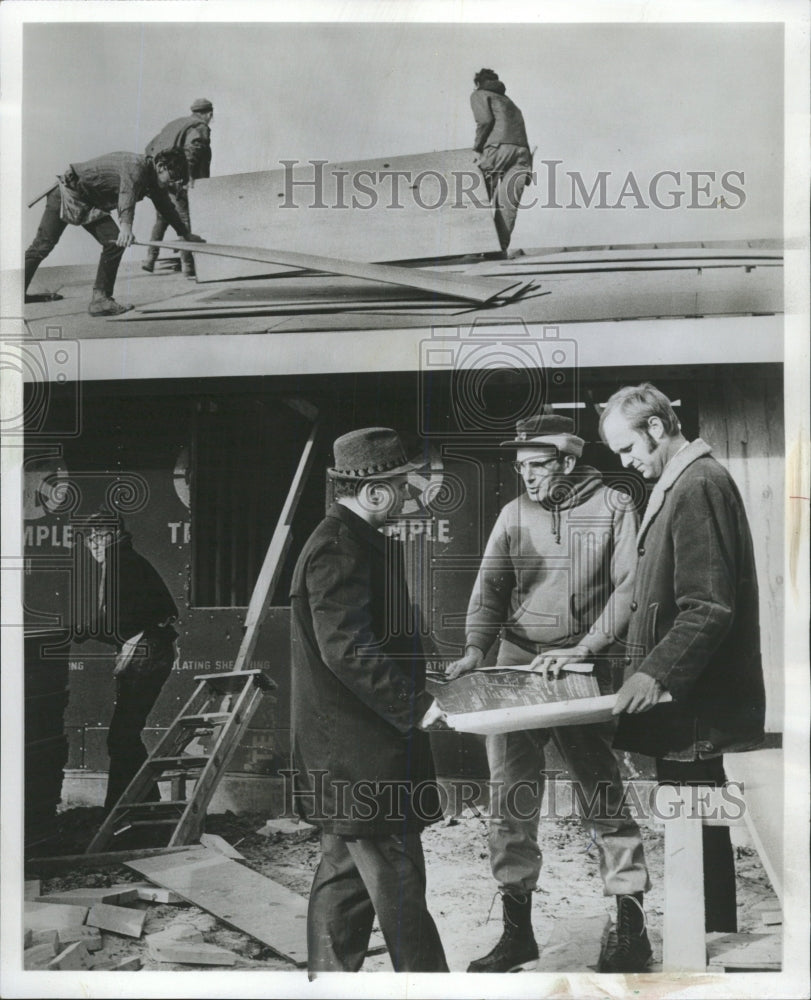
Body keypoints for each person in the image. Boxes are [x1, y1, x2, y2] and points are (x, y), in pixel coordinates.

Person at [448, 412, 652, 973]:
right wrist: (473, 650)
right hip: (517, 662)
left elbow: (630, 588)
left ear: (567, 460)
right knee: (510, 798)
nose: (528, 479)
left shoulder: (614, 506)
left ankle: (631, 932)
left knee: (602, 796)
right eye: (521, 469)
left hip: (580, 666)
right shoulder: (515, 513)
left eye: (538, 467)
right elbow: (490, 584)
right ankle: (518, 936)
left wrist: (586, 648)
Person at [600, 383, 766, 934]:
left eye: (628, 449)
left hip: (693, 704)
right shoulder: (684, 481)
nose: (627, 462)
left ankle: (703, 938)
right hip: (688, 704)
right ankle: (709, 929)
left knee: (693, 820)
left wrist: (654, 672)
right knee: (699, 819)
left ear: (655, 427)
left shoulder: (697, 484)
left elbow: (709, 606)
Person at [289, 427, 448, 973]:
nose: (410, 498)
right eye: (404, 488)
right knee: (399, 883)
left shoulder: (352, 541)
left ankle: (327, 982)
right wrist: (416, 706)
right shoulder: (338, 547)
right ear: (376, 492)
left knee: (344, 880)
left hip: (356, 755)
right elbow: (347, 651)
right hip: (361, 756)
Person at [73, 509, 179, 811]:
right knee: (124, 736)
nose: (93, 544)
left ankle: (123, 811)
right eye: (89, 538)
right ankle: (142, 805)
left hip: (148, 653)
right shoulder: (126, 559)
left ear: (114, 534)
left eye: (98, 536)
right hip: (149, 651)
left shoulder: (119, 562)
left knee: (121, 737)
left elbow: (121, 624)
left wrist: (83, 630)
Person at [25, 148, 204, 316]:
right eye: (171, 179)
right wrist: (126, 226)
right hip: (67, 194)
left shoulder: (154, 178)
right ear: (161, 166)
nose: (171, 185)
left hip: (88, 203)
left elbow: (165, 206)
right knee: (42, 246)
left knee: (113, 243)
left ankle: (100, 300)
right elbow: (127, 194)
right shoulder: (136, 167)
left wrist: (185, 233)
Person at [142, 98, 214, 278]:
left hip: (160, 177)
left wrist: (158, 173)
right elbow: (193, 150)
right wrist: (187, 177)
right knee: (183, 220)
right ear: (209, 114)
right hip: (177, 179)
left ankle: (150, 259)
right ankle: (188, 266)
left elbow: (149, 147)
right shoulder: (199, 127)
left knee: (162, 219)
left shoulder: (174, 124)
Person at [470, 68, 532, 252]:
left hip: (498, 149)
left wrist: (477, 148)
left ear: (478, 83)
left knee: (476, 194)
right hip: (522, 153)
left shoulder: (480, 94)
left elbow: (485, 121)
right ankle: (498, 249)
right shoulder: (510, 102)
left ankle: (468, 246)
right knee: (508, 203)